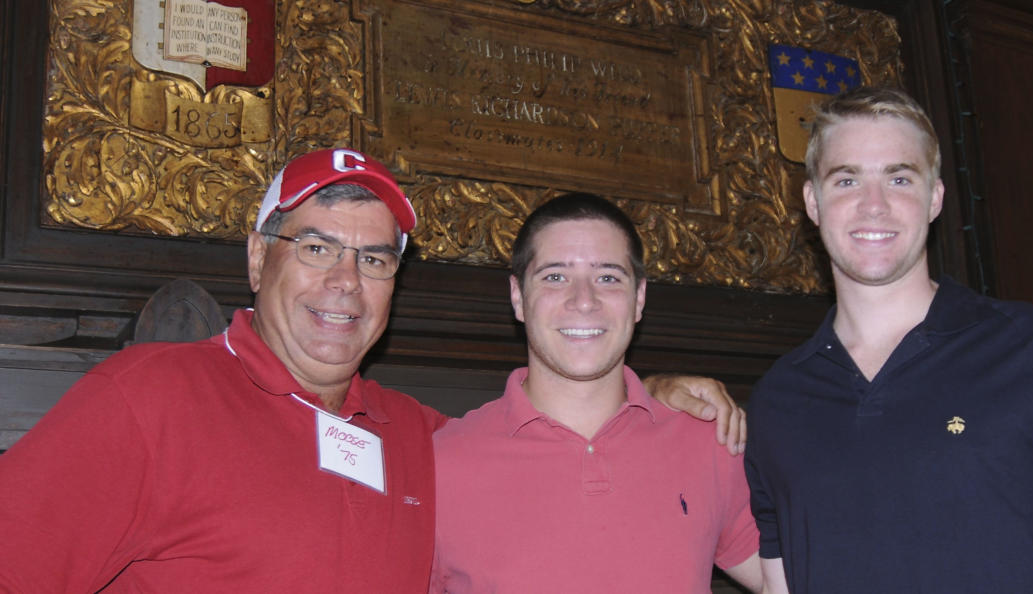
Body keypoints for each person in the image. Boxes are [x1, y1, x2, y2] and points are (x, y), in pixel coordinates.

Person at [0, 149, 741, 591]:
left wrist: (656, 393)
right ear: (258, 258)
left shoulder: (419, 439)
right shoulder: (149, 399)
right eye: (316, 247)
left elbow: (549, 442)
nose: (344, 282)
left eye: (374, 259)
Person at [744, 86, 1033, 593]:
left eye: (899, 178)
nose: (874, 205)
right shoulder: (778, 400)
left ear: (934, 198)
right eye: (847, 180)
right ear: (813, 202)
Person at [429, 193, 766, 593]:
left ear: (639, 298)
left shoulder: (708, 441)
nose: (584, 301)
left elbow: (789, 578)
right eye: (555, 276)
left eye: (608, 277)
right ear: (518, 297)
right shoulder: (440, 464)